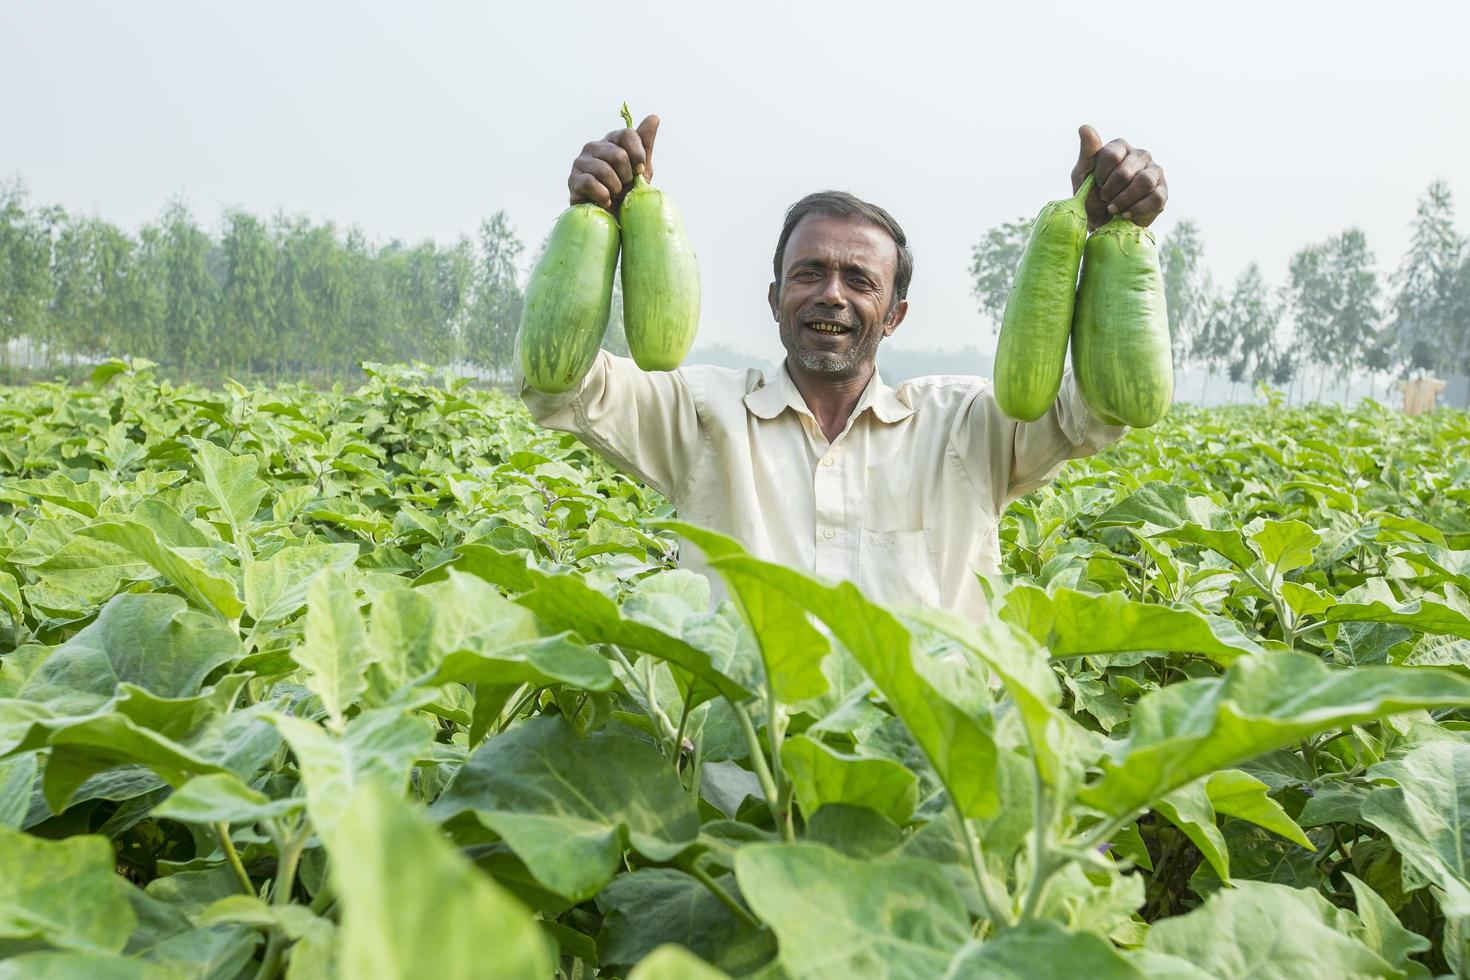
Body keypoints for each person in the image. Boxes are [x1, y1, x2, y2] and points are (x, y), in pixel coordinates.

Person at [520, 116, 1168, 621]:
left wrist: (1103, 242)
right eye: (808, 273)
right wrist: (594, 223)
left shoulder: (968, 427)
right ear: (774, 300)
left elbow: (1098, 409)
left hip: (922, 782)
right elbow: (560, 383)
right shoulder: (699, 414)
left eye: (860, 279)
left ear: (894, 316)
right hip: (744, 783)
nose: (832, 293)